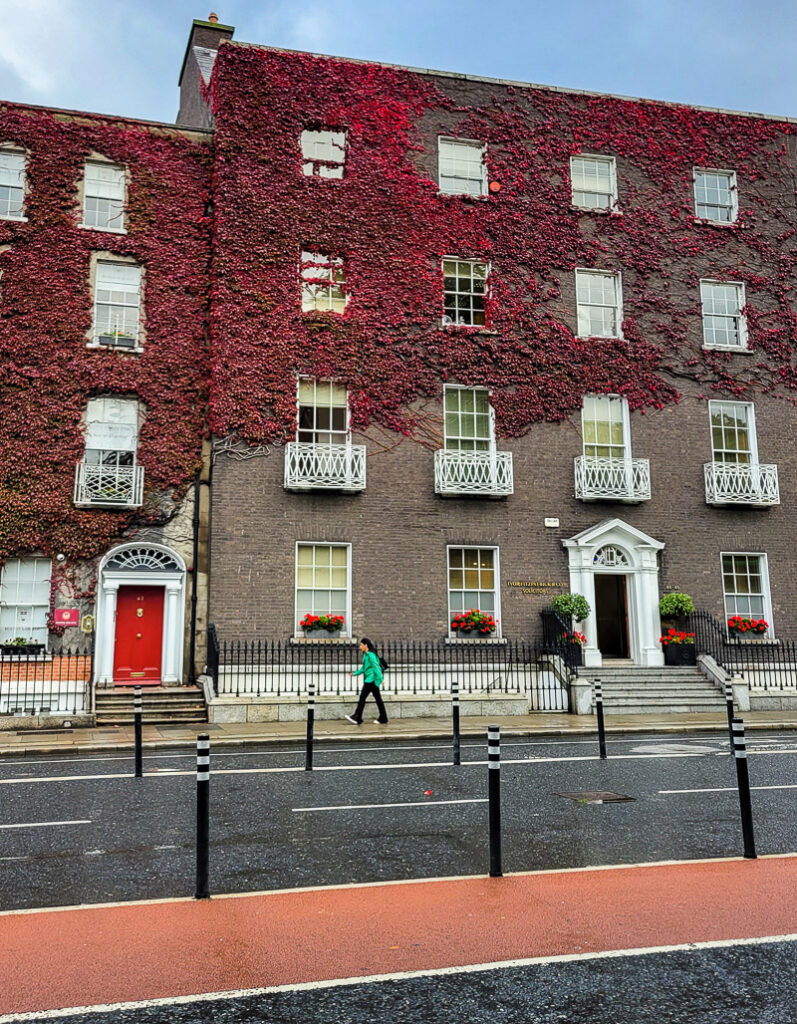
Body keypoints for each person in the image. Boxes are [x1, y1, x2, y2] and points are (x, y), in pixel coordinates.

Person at [345, 637, 388, 725]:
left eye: (361, 645)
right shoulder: (366, 655)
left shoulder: (371, 655)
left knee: (362, 698)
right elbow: (364, 668)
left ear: (366, 645)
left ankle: (357, 717)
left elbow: (376, 668)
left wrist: (381, 679)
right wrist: (355, 673)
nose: (360, 647)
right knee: (378, 699)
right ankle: (383, 718)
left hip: (371, 680)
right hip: (370, 679)